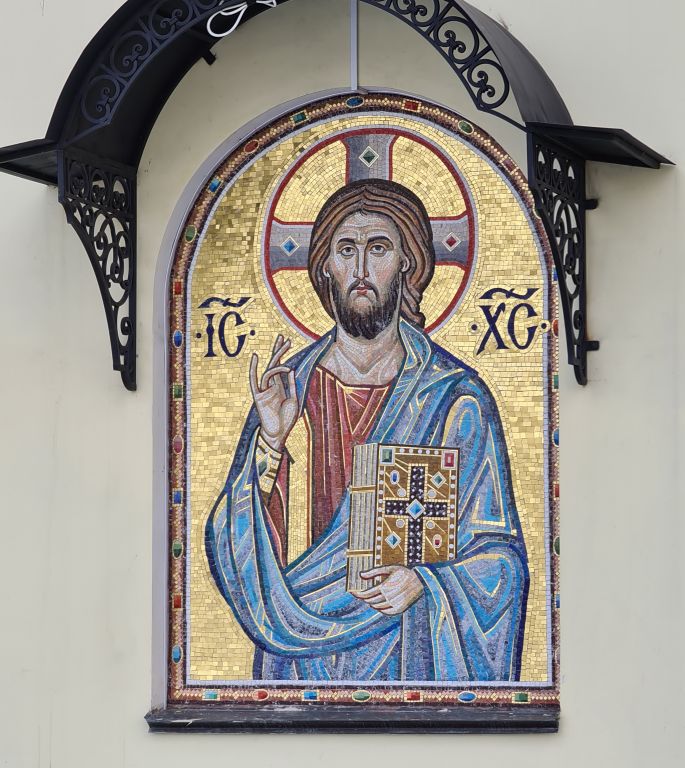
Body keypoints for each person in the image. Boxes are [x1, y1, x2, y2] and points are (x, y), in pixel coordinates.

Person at [206, 179, 528, 682]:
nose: (360, 269)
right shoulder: (287, 392)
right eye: (345, 250)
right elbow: (232, 546)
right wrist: (270, 442)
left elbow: (499, 562)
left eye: (378, 249)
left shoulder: (452, 399)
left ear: (406, 263)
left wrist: (426, 583)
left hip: (409, 657)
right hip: (296, 667)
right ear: (325, 267)